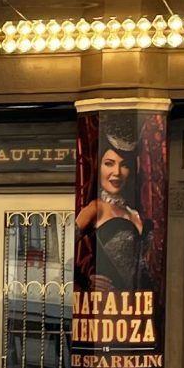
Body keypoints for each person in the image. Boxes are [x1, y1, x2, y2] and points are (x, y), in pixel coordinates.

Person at [75, 120, 152, 295]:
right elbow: (63, 248)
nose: (116, 172)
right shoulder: (96, 208)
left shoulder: (136, 213)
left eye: (124, 165)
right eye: (109, 163)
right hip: (107, 308)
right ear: (98, 166)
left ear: (131, 169)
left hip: (139, 306)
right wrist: (85, 280)